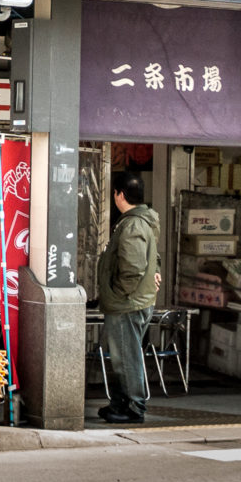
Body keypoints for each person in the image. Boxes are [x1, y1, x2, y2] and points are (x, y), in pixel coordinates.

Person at [95, 171, 161, 425]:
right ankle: (120, 402)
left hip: (127, 304)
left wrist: (117, 293)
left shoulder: (133, 224)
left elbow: (133, 268)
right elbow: (152, 259)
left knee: (127, 357)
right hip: (135, 301)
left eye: (114, 192)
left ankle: (135, 408)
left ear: (119, 195)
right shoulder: (144, 221)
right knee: (125, 354)